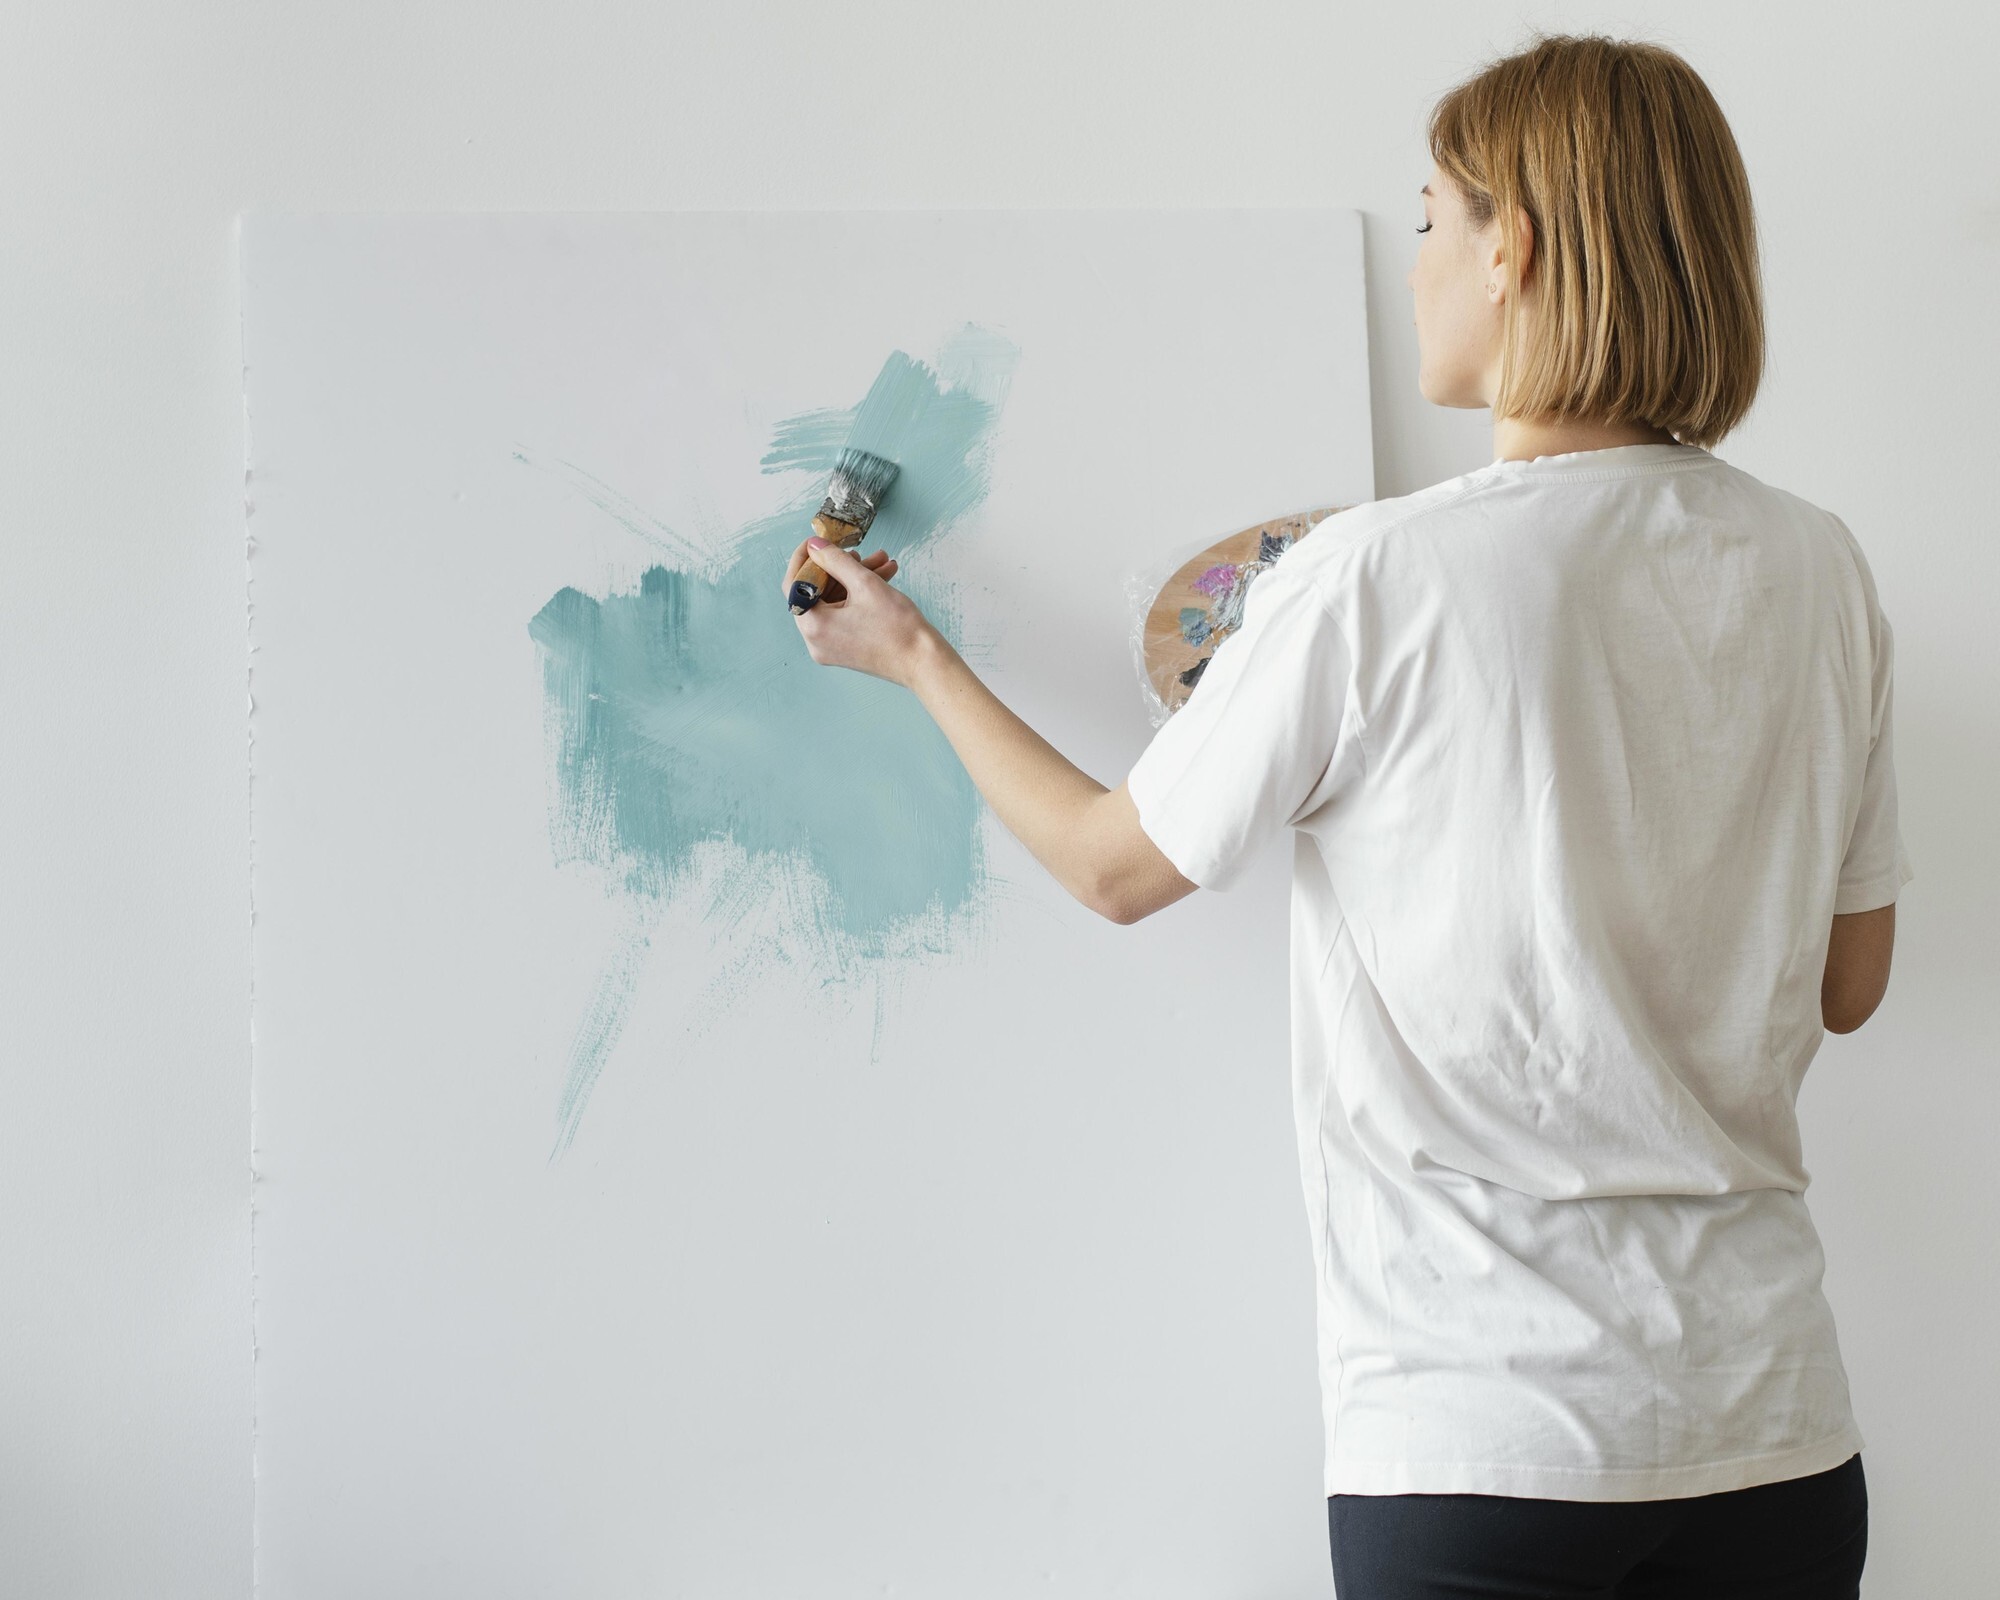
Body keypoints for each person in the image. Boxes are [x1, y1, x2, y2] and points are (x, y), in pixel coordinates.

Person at [780, 30, 1907, 1598]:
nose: (1420, 260)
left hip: (1487, 1446)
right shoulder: (1821, 568)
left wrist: (911, 656)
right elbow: (1850, 985)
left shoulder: (1380, 574)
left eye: (1433, 218)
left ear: (1513, 246)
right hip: (1775, 1444)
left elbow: (1113, 869)